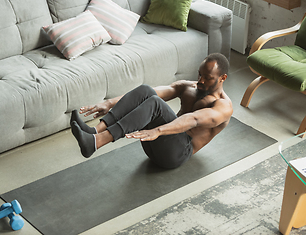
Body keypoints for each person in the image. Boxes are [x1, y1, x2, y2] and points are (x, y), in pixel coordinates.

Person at [70, 53, 233, 169]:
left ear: (222, 78)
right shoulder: (189, 87)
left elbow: (194, 119)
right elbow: (148, 93)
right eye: (200, 75)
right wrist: (109, 103)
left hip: (178, 153)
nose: (201, 81)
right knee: (146, 90)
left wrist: (158, 130)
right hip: (157, 143)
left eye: (208, 77)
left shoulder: (223, 106)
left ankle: (97, 142)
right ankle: (95, 131)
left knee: (155, 103)